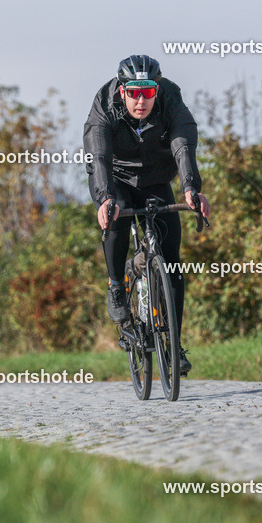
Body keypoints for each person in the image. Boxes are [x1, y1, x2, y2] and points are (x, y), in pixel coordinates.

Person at [83, 55, 210, 377]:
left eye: (148, 92)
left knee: (171, 260)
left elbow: (183, 145)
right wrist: (105, 197)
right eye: (134, 93)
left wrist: (191, 189)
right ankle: (116, 286)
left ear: (158, 90)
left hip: (156, 178)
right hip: (116, 177)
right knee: (117, 216)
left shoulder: (171, 100)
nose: (141, 101)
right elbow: (98, 156)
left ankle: (175, 344)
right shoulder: (103, 106)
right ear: (121, 90)